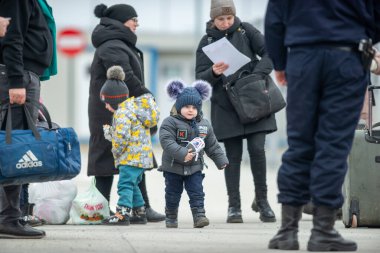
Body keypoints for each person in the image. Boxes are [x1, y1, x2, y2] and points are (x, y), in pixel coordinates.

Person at [265, 0, 380, 251]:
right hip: (346, 57)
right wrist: (363, 37)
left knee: (300, 144)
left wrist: (280, 63)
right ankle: (323, 231)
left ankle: (287, 232)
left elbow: (274, 19)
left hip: (302, 58)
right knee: (334, 145)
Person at [195, 0, 277, 223]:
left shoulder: (247, 31)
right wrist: (212, 71)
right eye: (221, 19)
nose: (225, 23)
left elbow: (270, 53)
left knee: (258, 150)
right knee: (232, 157)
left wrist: (256, 76)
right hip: (227, 106)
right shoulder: (207, 41)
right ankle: (234, 206)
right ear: (213, 19)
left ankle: (263, 201)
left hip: (254, 100)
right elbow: (199, 77)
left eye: (229, 18)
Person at [88, 3, 165, 223]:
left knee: (134, 157)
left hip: (124, 109)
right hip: (110, 111)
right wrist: (148, 98)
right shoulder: (112, 46)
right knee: (106, 156)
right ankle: (101, 207)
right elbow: (127, 77)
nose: (137, 24)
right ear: (122, 21)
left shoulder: (118, 43)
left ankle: (142, 208)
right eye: (134, 20)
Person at [0, 0, 55, 238]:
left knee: (12, 147)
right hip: (18, 76)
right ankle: (8, 218)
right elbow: (12, 37)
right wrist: (16, 82)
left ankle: (10, 216)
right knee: (16, 149)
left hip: (21, 73)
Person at [159, 80, 229, 228]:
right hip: (173, 167)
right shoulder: (169, 122)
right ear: (178, 106)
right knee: (172, 193)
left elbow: (212, 144)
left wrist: (220, 159)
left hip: (195, 167)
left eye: (194, 107)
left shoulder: (204, 124)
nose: (190, 110)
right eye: (186, 107)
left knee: (197, 192)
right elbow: (167, 142)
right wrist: (183, 153)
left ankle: (199, 216)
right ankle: (171, 216)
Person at [99, 65, 159, 225]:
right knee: (134, 184)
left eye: (106, 102)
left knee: (125, 184)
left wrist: (115, 151)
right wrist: (111, 132)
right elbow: (127, 133)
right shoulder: (133, 110)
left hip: (130, 158)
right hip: (141, 158)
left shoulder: (122, 113)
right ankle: (140, 213)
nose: (105, 106)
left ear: (114, 99)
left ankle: (122, 213)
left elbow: (122, 137)